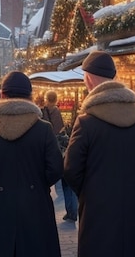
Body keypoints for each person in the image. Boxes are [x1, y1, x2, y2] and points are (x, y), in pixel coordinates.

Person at [64, 51, 135, 257]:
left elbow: (71, 169)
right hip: (134, 211)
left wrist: (91, 193)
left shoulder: (86, 122)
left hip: (97, 213)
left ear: (90, 79)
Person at [0, 71, 63, 256]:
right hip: (36, 207)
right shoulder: (43, 129)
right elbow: (56, 169)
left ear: (2, 95)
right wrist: (36, 184)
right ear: (30, 97)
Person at [42, 90, 77, 222]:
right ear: (56, 99)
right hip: (61, 148)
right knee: (66, 180)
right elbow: (62, 129)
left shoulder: (42, 111)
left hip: (48, 147)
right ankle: (72, 210)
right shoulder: (58, 112)